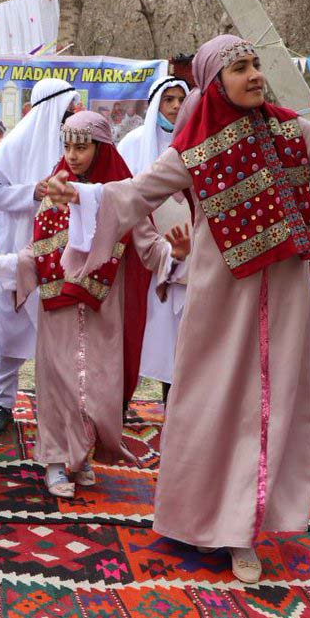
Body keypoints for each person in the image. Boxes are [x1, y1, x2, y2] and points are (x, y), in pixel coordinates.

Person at [48, 35, 310, 583]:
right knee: (211, 398)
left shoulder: (291, 129)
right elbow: (137, 193)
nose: (255, 74)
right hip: (220, 293)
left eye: (256, 64)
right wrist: (82, 195)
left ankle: (241, 528)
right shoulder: (193, 147)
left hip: (284, 287)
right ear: (214, 82)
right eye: (239, 67)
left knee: (271, 401)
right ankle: (194, 514)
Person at [0, 111, 188, 497]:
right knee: (58, 382)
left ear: (101, 148)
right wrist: (5, 264)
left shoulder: (120, 195)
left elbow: (149, 245)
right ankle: (55, 459)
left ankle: (81, 452)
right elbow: (37, 248)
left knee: (99, 386)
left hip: (104, 306)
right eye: (67, 146)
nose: (73, 155)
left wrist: (175, 253)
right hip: (58, 305)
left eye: (81, 147)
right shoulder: (57, 187)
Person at [0, 77, 82, 436]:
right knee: (7, 332)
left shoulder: (74, 148)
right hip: (15, 250)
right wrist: (32, 192)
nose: (72, 113)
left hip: (59, 256)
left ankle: (54, 405)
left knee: (56, 335)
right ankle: (3, 404)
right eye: (68, 107)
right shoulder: (11, 146)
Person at [117, 77, 191, 404]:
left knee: (177, 335)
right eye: (168, 99)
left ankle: (173, 406)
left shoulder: (195, 140)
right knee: (136, 328)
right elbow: (121, 195)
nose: (176, 106)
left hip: (185, 253)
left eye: (181, 100)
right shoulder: (133, 143)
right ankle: (118, 406)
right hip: (140, 253)